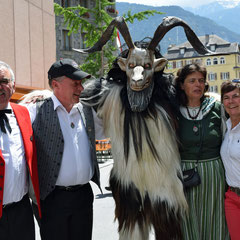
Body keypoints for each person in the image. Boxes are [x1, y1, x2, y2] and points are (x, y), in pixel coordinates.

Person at [27, 58, 103, 240]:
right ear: (55, 85)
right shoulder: (34, 111)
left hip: (84, 196)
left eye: (81, 83)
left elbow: (110, 129)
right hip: (52, 199)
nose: (81, 88)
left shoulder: (87, 111)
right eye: (75, 83)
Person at [174, 63, 229, 239]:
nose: (198, 84)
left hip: (214, 175)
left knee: (215, 220)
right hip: (184, 176)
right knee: (187, 222)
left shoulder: (216, 107)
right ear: (182, 85)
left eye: (201, 81)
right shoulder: (173, 112)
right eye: (192, 81)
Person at [0, 61, 41, 240]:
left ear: (13, 86)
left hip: (22, 211)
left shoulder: (24, 113)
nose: (0, 86)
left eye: (3, 81)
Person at [220, 79, 240, 240]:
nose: (231, 101)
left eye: (236, 96)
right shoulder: (225, 128)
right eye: (226, 97)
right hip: (232, 198)